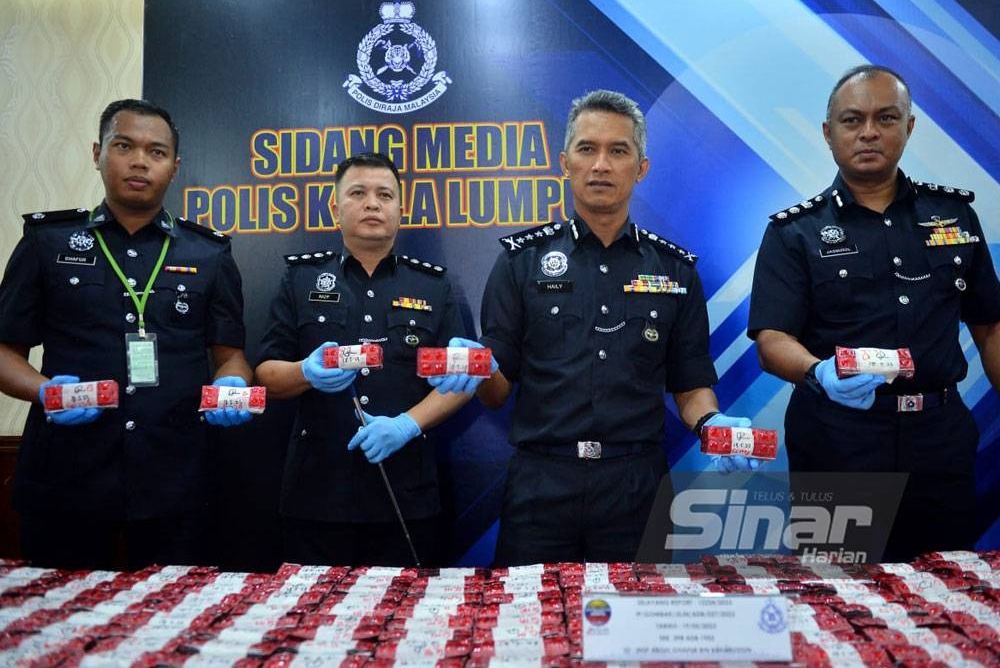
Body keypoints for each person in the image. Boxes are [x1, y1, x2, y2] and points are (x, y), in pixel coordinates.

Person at [446, 89, 756, 566]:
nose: (601, 165)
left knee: (640, 633)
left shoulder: (675, 270)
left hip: (636, 486)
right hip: (541, 485)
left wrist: (713, 425)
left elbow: (690, 386)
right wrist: (476, 366)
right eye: (587, 149)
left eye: (619, 151)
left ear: (642, 168)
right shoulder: (520, 262)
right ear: (565, 162)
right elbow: (496, 394)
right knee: (530, 631)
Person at [748, 65, 1000, 562]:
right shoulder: (793, 233)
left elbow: (990, 324)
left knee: (949, 593)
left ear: (908, 127)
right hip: (839, 443)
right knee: (839, 601)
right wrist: (819, 372)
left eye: (886, 117)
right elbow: (772, 340)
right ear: (828, 133)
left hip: (940, 441)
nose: (868, 132)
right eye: (851, 120)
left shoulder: (954, 217)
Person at [0, 99, 254, 570]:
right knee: (56, 625)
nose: (140, 161)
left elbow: (230, 355)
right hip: (67, 476)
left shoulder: (209, 253)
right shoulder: (48, 241)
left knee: (174, 624)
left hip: (177, 479)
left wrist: (231, 384)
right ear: (98, 152)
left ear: (174, 168)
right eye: (124, 146)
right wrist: (45, 392)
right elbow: (4, 352)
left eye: (156, 152)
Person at [255, 152, 473, 567]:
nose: (372, 203)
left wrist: (407, 425)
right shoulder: (299, 279)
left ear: (400, 209)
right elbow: (266, 373)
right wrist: (305, 372)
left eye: (384, 194)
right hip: (316, 495)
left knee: (406, 622)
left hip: (407, 493)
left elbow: (460, 381)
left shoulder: (435, 285)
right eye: (358, 193)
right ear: (335, 207)